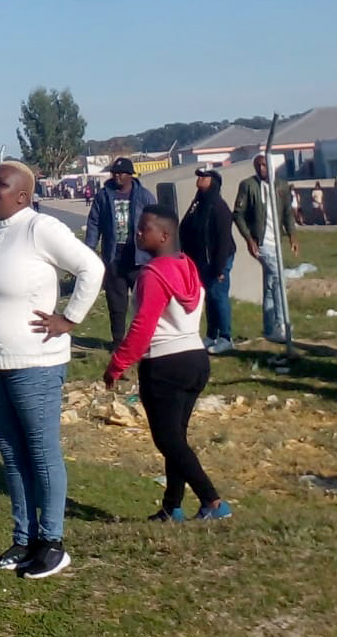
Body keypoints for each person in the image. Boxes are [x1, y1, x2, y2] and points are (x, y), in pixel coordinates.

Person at [0, 161, 104, 581]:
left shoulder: (40, 228)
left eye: (0, 185)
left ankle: (52, 545)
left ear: (22, 195)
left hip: (35, 363)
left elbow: (93, 268)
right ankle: (23, 541)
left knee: (40, 453)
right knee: (12, 455)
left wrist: (69, 319)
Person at [105, 206, 230, 522]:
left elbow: (143, 326)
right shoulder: (186, 266)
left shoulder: (153, 274)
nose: (137, 234)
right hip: (195, 358)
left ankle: (213, 502)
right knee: (177, 438)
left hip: (164, 364)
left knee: (168, 440)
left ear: (164, 235)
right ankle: (171, 506)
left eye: (143, 228)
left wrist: (117, 365)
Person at [84, 157, 158, 350]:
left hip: (139, 258)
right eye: (114, 173)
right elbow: (93, 222)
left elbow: (157, 220)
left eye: (122, 173)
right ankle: (118, 343)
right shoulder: (103, 195)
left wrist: (158, 251)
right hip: (114, 257)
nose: (117, 176)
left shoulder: (143, 195)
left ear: (130, 175)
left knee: (144, 303)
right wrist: (89, 249)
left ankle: (145, 341)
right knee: (117, 305)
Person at [232, 154, 298, 343]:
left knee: (270, 284)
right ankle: (281, 324)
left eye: (264, 165)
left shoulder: (282, 186)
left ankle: (269, 328)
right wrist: (249, 240)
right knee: (278, 278)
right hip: (261, 243)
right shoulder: (248, 185)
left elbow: (287, 214)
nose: (261, 169)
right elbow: (238, 214)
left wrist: (293, 235)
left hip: (276, 241)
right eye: (258, 166)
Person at [180, 166, 237, 353]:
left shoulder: (218, 207)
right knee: (209, 298)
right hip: (202, 260)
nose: (199, 179)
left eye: (204, 177)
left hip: (218, 259)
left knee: (219, 296)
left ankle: (225, 337)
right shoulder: (198, 203)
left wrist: (219, 268)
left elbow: (222, 240)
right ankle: (211, 335)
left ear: (212, 181)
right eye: (199, 176)